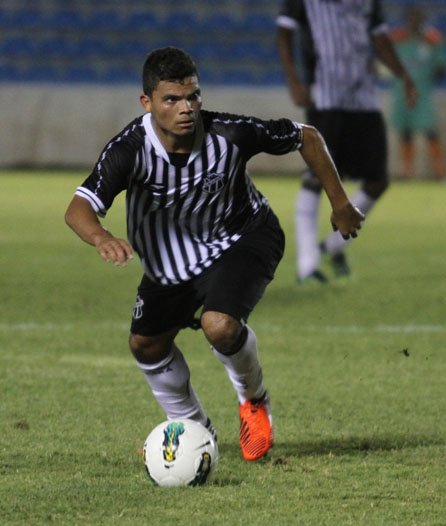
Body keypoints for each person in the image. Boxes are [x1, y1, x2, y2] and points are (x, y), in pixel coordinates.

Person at [64, 47, 364, 461]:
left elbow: (306, 137)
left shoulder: (230, 133)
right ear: (147, 102)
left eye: (193, 96)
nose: (186, 108)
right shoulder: (129, 150)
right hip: (174, 257)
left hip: (244, 237)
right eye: (172, 99)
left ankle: (253, 400)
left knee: (219, 325)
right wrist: (100, 237)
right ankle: (193, 430)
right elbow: (79, 207)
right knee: (146, 345)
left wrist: (341, 204)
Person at [276, 0, 417, 283]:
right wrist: (294, 80)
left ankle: (331, 246)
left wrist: (404, 76)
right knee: (316, 177)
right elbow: (284, 33)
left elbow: (379, 36)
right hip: (325, 94)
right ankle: (308, 265)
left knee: (377, 180)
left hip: (363, 94)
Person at [390, 5, 446, 181]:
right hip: (403, 92)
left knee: (430, 130)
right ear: (407, 19)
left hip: (422, 92)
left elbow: (442, 66)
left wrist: (438, 69)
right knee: (406, 131)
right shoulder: (398, 38)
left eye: (418, 17)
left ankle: (440, 171)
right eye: (412, 17)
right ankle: (408, 172)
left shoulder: (431, 39)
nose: (415, 20)